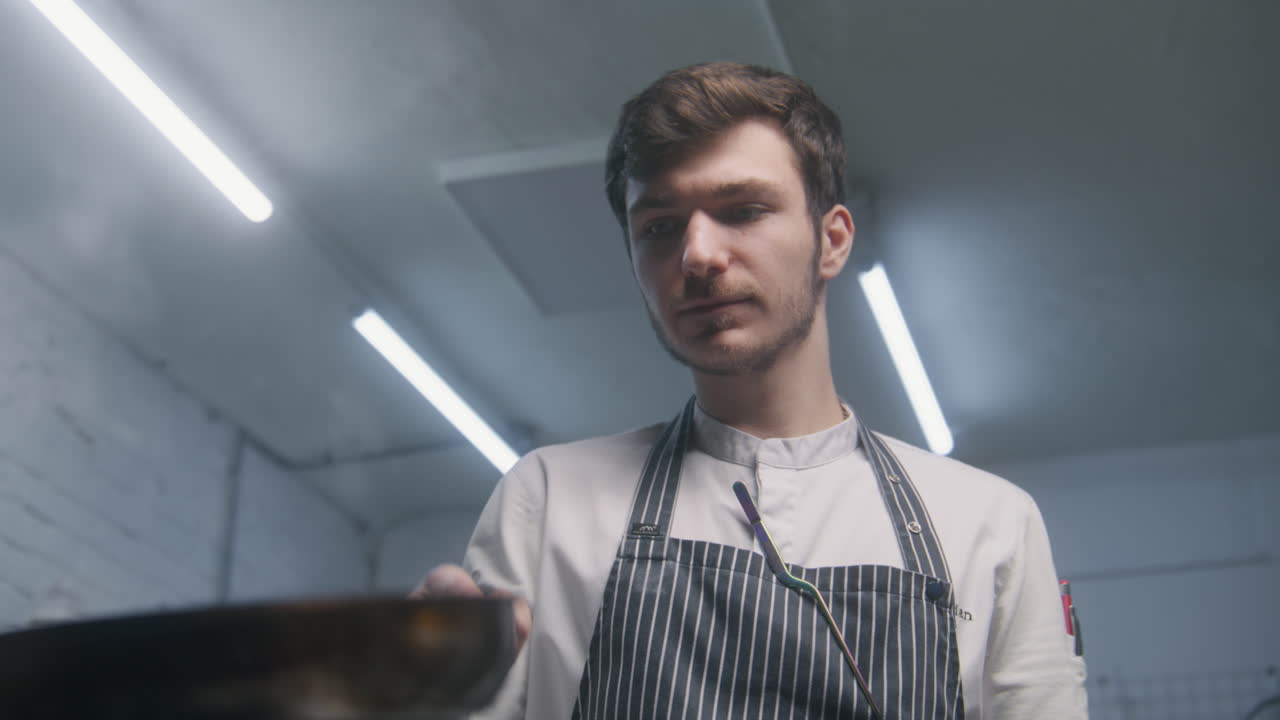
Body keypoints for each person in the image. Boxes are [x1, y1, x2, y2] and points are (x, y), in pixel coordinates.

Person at [415, 62, 1088, 719]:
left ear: (831, 241)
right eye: (659, 226)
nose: (698, 255)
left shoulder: (989, 525)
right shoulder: (548, 500)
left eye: (742, 210)